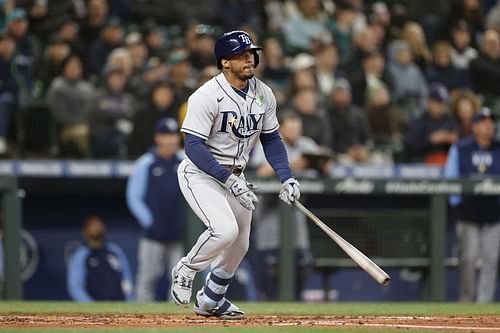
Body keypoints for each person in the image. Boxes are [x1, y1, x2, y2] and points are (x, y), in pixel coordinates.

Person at [170, 30, 300, 319]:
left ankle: (210, 300)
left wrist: (286, 177)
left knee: (240, 243)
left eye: (251, 53)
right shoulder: (206, 96)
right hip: (201, 173)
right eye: (241, 55)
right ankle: (186, 269)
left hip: (236, 174)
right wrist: (227, 179)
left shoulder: (264, 93)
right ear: (224, 62)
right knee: (224, 230)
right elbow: (192, 146)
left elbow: (272, 139)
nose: (249, 59)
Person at [444, 107, 500, 303]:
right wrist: (458, 206)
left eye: (490, 121)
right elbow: (450, 180)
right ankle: (466, 301)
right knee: (468, 259)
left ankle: (484, 303)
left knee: (491, 259)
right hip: (468, 214)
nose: (488, 125)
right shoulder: (460, 148)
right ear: (475, 126)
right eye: (483, 121)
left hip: (494, 213)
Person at [126, 117, 184, 302]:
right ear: (158, 138)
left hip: (179, 232)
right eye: (166, 135)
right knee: (147, 279)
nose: (171, 140)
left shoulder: (185, 162)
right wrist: (149, 221)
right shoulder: (146, 163)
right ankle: (141, 324)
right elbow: (134, 197)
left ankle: (176, 324)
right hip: (154, 233)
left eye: (174, 135)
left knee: (179, 280)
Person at [67, 215, 133, 302]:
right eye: (93, 225)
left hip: (119, 305)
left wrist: (129, 300)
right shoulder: (81, 255)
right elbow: (75, 286)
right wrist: (91, 307)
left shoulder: (114, 250)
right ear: (85, 231)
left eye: (99, 224)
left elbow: (126, 278)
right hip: (95, 307)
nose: (97, 227)